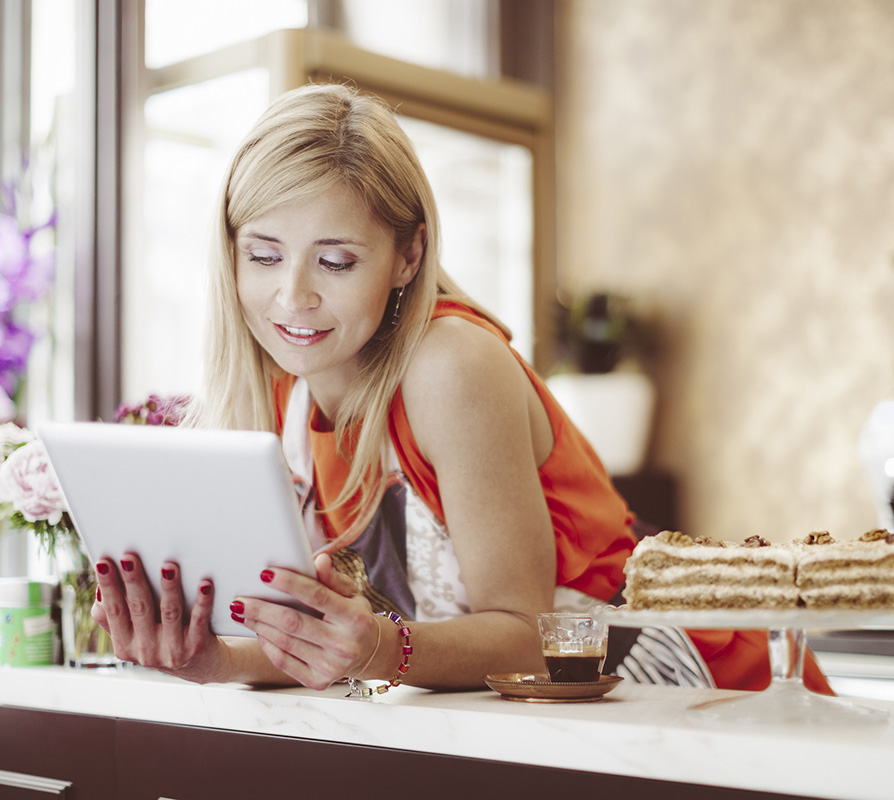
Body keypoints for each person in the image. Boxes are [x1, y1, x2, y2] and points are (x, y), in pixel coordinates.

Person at [92, 83, 830, 695]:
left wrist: (378, 650)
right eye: (264, 254)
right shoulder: (289, 395)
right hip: (547, 708)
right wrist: (215, 661)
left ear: (409, 255)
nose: (293, 297)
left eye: (337, 262)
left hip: (687, 688)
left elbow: (530, 634)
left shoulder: (451, 363)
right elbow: (336, 643)